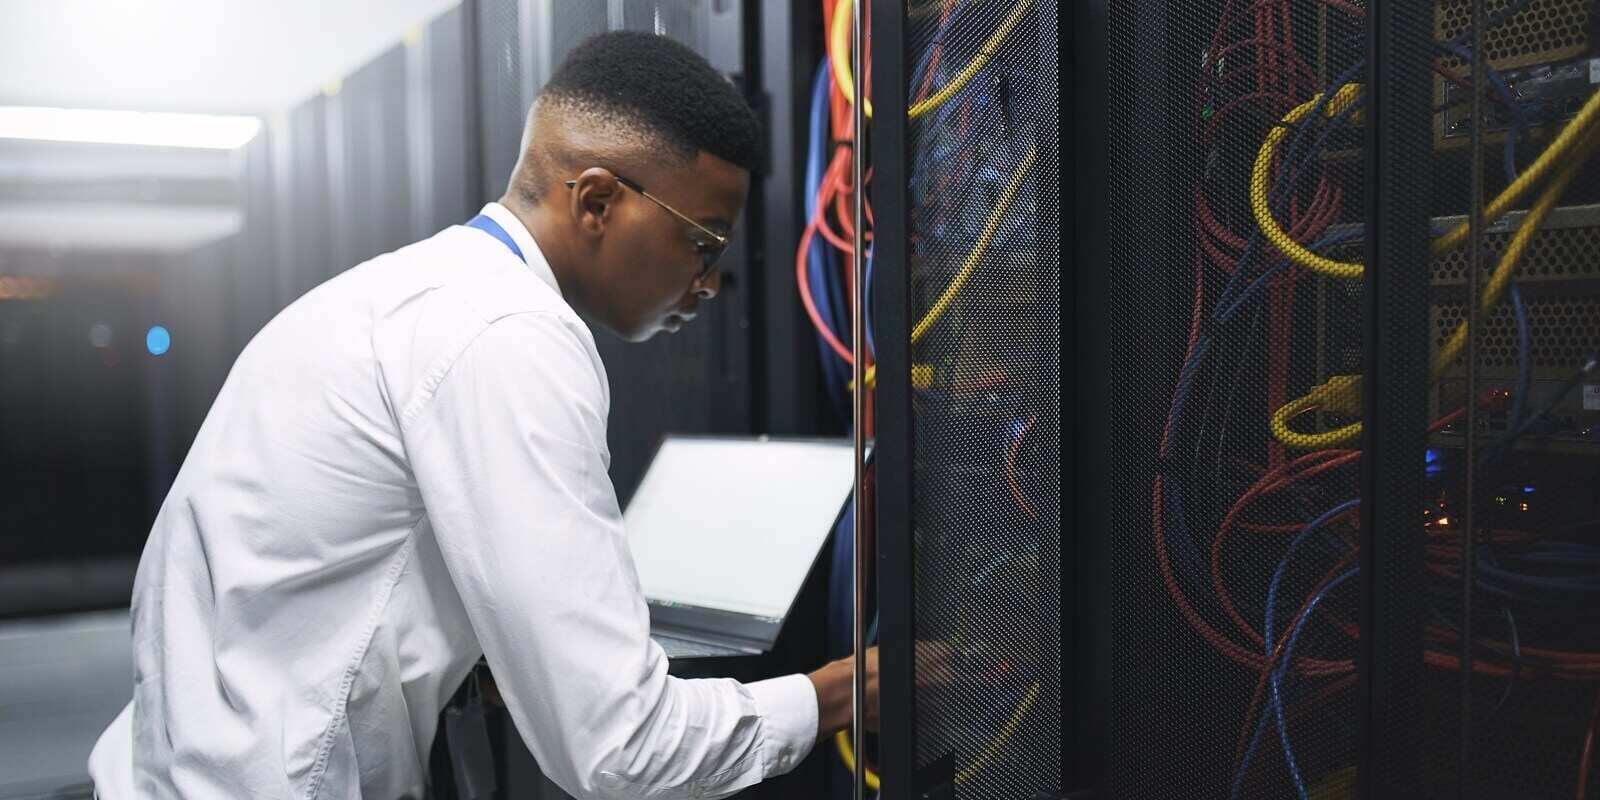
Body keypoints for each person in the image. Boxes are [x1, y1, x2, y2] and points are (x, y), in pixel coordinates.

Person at [88, 30, 877, 800]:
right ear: (598, 200)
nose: (709, 284)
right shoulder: (511, 335)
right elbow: (622, 749)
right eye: (704, 243)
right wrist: (839, 694)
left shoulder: (409, 290)